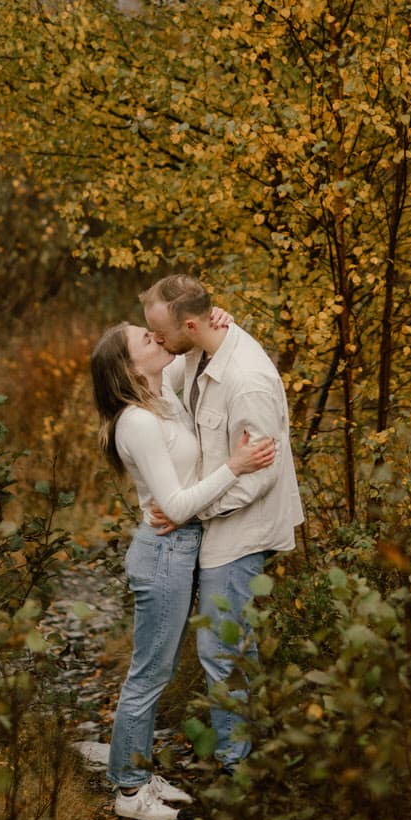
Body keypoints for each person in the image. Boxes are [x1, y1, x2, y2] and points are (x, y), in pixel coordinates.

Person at [90, 321, 275, 820]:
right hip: (165, 552)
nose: (158, 339)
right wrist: (235, 466)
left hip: (178, 546)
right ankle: (129, 791)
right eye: (146, 340)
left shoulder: (164, 393)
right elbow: (173, 503)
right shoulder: (138, 422)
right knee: (150, 673)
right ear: (130, 368)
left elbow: (194, 353)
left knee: (157, 669)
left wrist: (219, 320)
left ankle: (137, 771)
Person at [141, 275, 304, 770]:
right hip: (215, 519)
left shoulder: (247, 380)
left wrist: (189, 506)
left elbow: (261, 476)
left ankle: (240, 769)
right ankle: (259, 750)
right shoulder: (194, 350)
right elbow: (149, 368)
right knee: (232, 644)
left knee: (219, 647)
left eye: (161, 334)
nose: (157, 342)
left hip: (242, 529)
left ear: (191, 324)